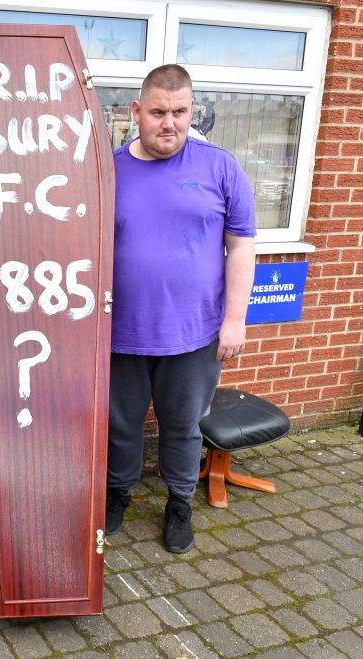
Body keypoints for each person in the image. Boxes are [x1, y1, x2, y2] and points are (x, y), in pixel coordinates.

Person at [105, 64, 256, 554]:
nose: (168, 123)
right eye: (157, 112)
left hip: (194, 333)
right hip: (119, 332)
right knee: (119, 424)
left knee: (183, 426)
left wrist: (235, 319)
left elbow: (242, 245)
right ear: (136, 112)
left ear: (193, 111)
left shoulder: (220, 167)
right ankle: (117, 493)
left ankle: (179, 501)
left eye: (179, 112)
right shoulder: (107, 170)